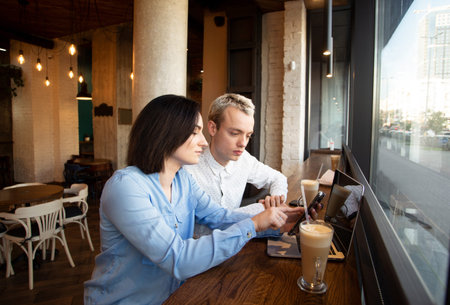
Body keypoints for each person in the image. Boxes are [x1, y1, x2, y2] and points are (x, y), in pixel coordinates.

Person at [84, 94, 303, 305]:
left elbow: (220, 217)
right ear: (166, 133)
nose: (204, 142)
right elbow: (177, 258)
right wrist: (254, 224)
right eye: (195, 132)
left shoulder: (183, 180)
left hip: (177, 295)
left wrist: (278, 223)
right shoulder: (125, 187)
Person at [184, 94, 291, 236]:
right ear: (212, 128)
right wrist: (261, 210)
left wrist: (276, 200)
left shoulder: (244, 160)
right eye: (235, 133)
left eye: (248, 135)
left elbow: (278, 178)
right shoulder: (188, 167)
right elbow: (205, 227)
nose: (243, 143)